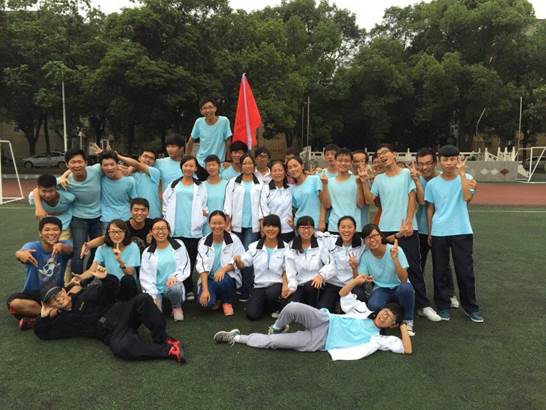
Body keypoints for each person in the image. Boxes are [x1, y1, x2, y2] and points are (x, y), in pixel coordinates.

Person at [213, 275, 412, 361]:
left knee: (275, 342)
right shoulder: (364, 311)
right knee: (292, 307)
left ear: (392, 324)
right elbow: (343, 294)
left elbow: (407, 349)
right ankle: (278, 326)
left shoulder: (380, 338)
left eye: (389, 318)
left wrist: (403, 325)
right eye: (385, 312)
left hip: (321, 341)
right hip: (324, 320)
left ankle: (236, 337)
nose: (384, 316)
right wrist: (356, 281)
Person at [361, 144, 441, 323]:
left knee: (413, 267)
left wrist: (409, 221)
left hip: (407, 229)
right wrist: (365, 181)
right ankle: (389, 303)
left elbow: (414, 198)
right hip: (385, 229)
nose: (382, 156)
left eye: (385, 152)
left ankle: (423, 305)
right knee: (387, 267)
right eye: (379, 154)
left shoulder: (406, 174)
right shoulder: (379, 179)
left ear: (394, 154)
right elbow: (370, 200)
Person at [34, 274, 186, 363]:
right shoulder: (63, 320)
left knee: (143, 299)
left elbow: (111, 290)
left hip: (122, 313)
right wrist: (43, 317)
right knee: (121, 349)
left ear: (64, 291)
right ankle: (168, 350)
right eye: (53, 300)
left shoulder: (85, 294)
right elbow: (42, 333)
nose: (59, 299)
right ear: (51, 305)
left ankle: (162, 339)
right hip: (111, 333)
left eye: (59, 294)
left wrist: (106, 278)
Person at [425, 145, 483, 323]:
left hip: (462, 230)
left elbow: (467, 197)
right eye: (445, 159)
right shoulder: (432, 184)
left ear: (458, 160)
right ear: (439, 161)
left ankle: (470, 307)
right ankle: (443, 306)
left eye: (452, 159)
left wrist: (463, 173)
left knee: (465, 271)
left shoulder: (468, 178)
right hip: (439, 232)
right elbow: (430, 208)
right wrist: (430, 231)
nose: (449, 163)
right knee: (440, 271)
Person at [413, 148, 459, 310]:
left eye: (428, 163)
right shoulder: (414, 178)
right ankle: (419, 298)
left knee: (443, 265)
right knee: (418, 265)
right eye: (420, 164)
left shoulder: (443, 179)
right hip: (419, 229)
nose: (424, 167)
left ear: (435, 163)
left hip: (441, 230)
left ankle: (449, 294)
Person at [6, 217, 72, 329]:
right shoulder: (32, 246)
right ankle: (54, 315)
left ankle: (37, 320)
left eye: (55, 229)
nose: (51, 233)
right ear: (40, 233)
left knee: (78, 290)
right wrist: (19, 254)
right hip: (34, 294)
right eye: (47, 230)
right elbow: (22, 253)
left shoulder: (64, 245)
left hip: (57, 294)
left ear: (60, 232)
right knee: (14, 303)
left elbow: (71, 249)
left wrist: (62, 247)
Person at [355, 224, 416, 335]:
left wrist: (395, 259)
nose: (372, 239)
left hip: (399, 285)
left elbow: (403, 279)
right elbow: (360, 278)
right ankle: (389, 313)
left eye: (374, 235)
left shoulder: (396, 250)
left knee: (406, 288)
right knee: (373, 305)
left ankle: (407, 320)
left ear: (380, 236)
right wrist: (362, 276)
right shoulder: (365, 256)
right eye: (368, 237)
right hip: (381, 288)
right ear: (364, 241)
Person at [162, 155, 207, 300]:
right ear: (181, 167)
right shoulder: (173, 184)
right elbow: (165, 203)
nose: (188, 168)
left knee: (191, 260)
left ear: (195, 168)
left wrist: (201, 219)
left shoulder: (200, 185)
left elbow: (204, 205)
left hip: (192, 230)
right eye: (185, 165)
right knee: (178, 260)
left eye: (191, 166)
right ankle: (179, 286)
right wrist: (167, 219)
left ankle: (188, 288)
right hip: (175, 229)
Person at [233, 215, 289, 320]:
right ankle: (265, 304)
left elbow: (287, 269)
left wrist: (285, 285)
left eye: (274, 226)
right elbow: (243, 264)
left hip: (277, 285)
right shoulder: (254, 246)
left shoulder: (286, 247)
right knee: (252, 315)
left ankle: (276, 305)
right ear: (263, 228)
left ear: (279, 229)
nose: (271, 229)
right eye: (268, 226)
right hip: (259, 286)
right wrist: (238, 261)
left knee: (271, 294)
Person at [224, 153, 263, 300]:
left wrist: (262, 225)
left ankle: (247, 288)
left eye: (250, 163)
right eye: (245, 163)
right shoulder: (233, 182)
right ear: (241, 166)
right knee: (235, 256)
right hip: (236, 226)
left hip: (252, 227)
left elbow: (262, 206)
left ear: (254, 165)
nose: (247, 166)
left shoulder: (260, 184)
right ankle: (235, 286)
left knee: (247, 257)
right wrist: (227, 222)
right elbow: (228, 203)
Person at [58, 148, 103, 275]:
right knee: (79, 252)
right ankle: (75, 282)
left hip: (98, 217)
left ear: (86, 163)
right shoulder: (64, 181)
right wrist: (62, 177)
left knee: (97, 251)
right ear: (67, 164)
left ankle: (86, 278)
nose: (77, 165)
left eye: (79, 162)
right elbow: (38, 190)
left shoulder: (96, 170)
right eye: (73, 162)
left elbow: (113, 164)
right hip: (78, 218)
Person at [140, 219, 191, 321]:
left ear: (168, 230)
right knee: (156, 317)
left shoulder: (178, 244)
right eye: (156, 229)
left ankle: (176, 306)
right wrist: (152, 295)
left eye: (163, 228)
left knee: (175, 288)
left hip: (172, 286)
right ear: (151, 232)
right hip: (156, 290)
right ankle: (160, 302)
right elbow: (145, 276)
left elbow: (185, 265)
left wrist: (174, 277)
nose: (160, 231)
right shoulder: (147, 252)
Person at [313, 216, 366, 312]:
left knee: (357, 305)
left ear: (355, 229)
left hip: (352, 284)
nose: (346, 230)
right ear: (338, 229)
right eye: (343, 227)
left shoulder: (362, 244)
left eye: (350, 227)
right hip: (333, 282)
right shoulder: (330, 240)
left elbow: (376, 240)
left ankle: (341, 306)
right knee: (322, 309)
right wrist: (294, 226)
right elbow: (314, 233)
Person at [196, 211, 245, 316]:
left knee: (222, 281)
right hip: (209, 278)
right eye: (214, 223)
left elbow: (240, 261)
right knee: (206, 304)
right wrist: (205, 290)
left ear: (226, 223)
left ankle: (227, 302)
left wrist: (223, 270)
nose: (217, 226)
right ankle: (217, 298)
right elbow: (202, 266)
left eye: (220, 223)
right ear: (209, 224)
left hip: (226, 278)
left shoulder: (234, 239)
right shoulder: (203, 242)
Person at [79, 219, 140, 302]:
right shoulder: (102, 248)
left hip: (127, 286)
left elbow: (130, 273)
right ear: (108, 233)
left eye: (120, 231)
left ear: (125, 233)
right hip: (111, 285)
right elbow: (92, 269)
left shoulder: (133, 247)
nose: (116, 235)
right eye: (113, 232)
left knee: (127, 280)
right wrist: (80, 277)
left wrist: (120, 260)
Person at [81, 198, 154, 256]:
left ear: (148, 212)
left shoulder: (153, 224)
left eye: (143, 210)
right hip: (128, 258)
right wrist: (88, 245)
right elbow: (105, 238)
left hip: (148, 258)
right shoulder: (124, 226)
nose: (140, 213)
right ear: (131, 211)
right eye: (136, 210)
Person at [284, 216, 329, 308]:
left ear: (313, 229)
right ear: (297, 229)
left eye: (309, 227)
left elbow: (329, 264)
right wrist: (291, 288)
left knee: (310, 286)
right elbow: (290, 272)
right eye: (303, 228)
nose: (306, 231)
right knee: (291, 306)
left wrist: (321, 275)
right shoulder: (291, 247)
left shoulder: (320, 244)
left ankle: (312, 309)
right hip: (299, 285)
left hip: (316, 284)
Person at [187, 96, 233, 181]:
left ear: (215, 108)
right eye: (204, 108)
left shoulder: (224, 121)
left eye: (210, 107)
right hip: (201, 163)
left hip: (219, 163)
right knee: (200, 187)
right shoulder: (199, 122)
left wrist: (228, 160)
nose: (208, 110)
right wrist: (188, 158)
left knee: (218, 186)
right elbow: (191, 140)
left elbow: (228, 140)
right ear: (201, 111)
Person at [322, 148, 365, 234]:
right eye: (340, 160)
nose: (343, 163)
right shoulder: (328, 182)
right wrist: (325, 185)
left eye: (346, 161)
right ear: (335, 161)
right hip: (335, 226)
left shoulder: (357, 180)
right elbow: (327, 205)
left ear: (351, 162)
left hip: (354, 226)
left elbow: (361, 204)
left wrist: (359, 184)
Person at [97, 151, 137, 231]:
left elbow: (134, 200)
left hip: (126, 218)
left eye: (112, 164)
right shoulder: (100, 178)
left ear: (117, 164)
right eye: (106, 165)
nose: (109, 167)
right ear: (101, 167)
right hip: (107, 219)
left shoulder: (130, 181)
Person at [117, 149, 162, 219]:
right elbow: (115, 167)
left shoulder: (155, 172)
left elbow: (137, 164)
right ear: (139, 158)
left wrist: (118, 156)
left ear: (154, 162)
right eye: (145, 156)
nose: (148, 160)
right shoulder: (132, 174)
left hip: (153, 214)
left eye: (151, 158)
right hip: (135, 214)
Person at [288, 156, 328, 230]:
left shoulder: (314, 179)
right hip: (300, 225)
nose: (293, 169)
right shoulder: (292, 188)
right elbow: (296, 208)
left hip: (315, 223)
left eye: (295, 166)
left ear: (302, 166)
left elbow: (323, 202)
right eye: (290, 168)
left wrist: (322, 220)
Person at [259, 160, 294, 243]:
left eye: (280, 170)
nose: (277, 173)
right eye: (274, 171)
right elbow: (264, 209)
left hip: (288, 228)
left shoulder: (291, 188)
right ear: (271, 173)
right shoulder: (265, 189)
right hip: (272, 229)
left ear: (285, 172)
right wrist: (264, 227)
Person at [202, 155, 229, 236]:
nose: (211, 167)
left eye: (213, 165)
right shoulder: (201, 185)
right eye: (208, 165)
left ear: (219, 166)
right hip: (206, 224)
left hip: (223, 224)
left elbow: (229, 206)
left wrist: (227, 223)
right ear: (205, 167)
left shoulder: (227, 184)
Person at [352, 150, 371, 227]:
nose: (359, 164)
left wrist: (364, 182)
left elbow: (369, 201)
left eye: (362, 161)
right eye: (356, 161)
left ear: (366, 163)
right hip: (345, 224)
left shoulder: (370, 180)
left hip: (362, 223)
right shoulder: (344, 178)